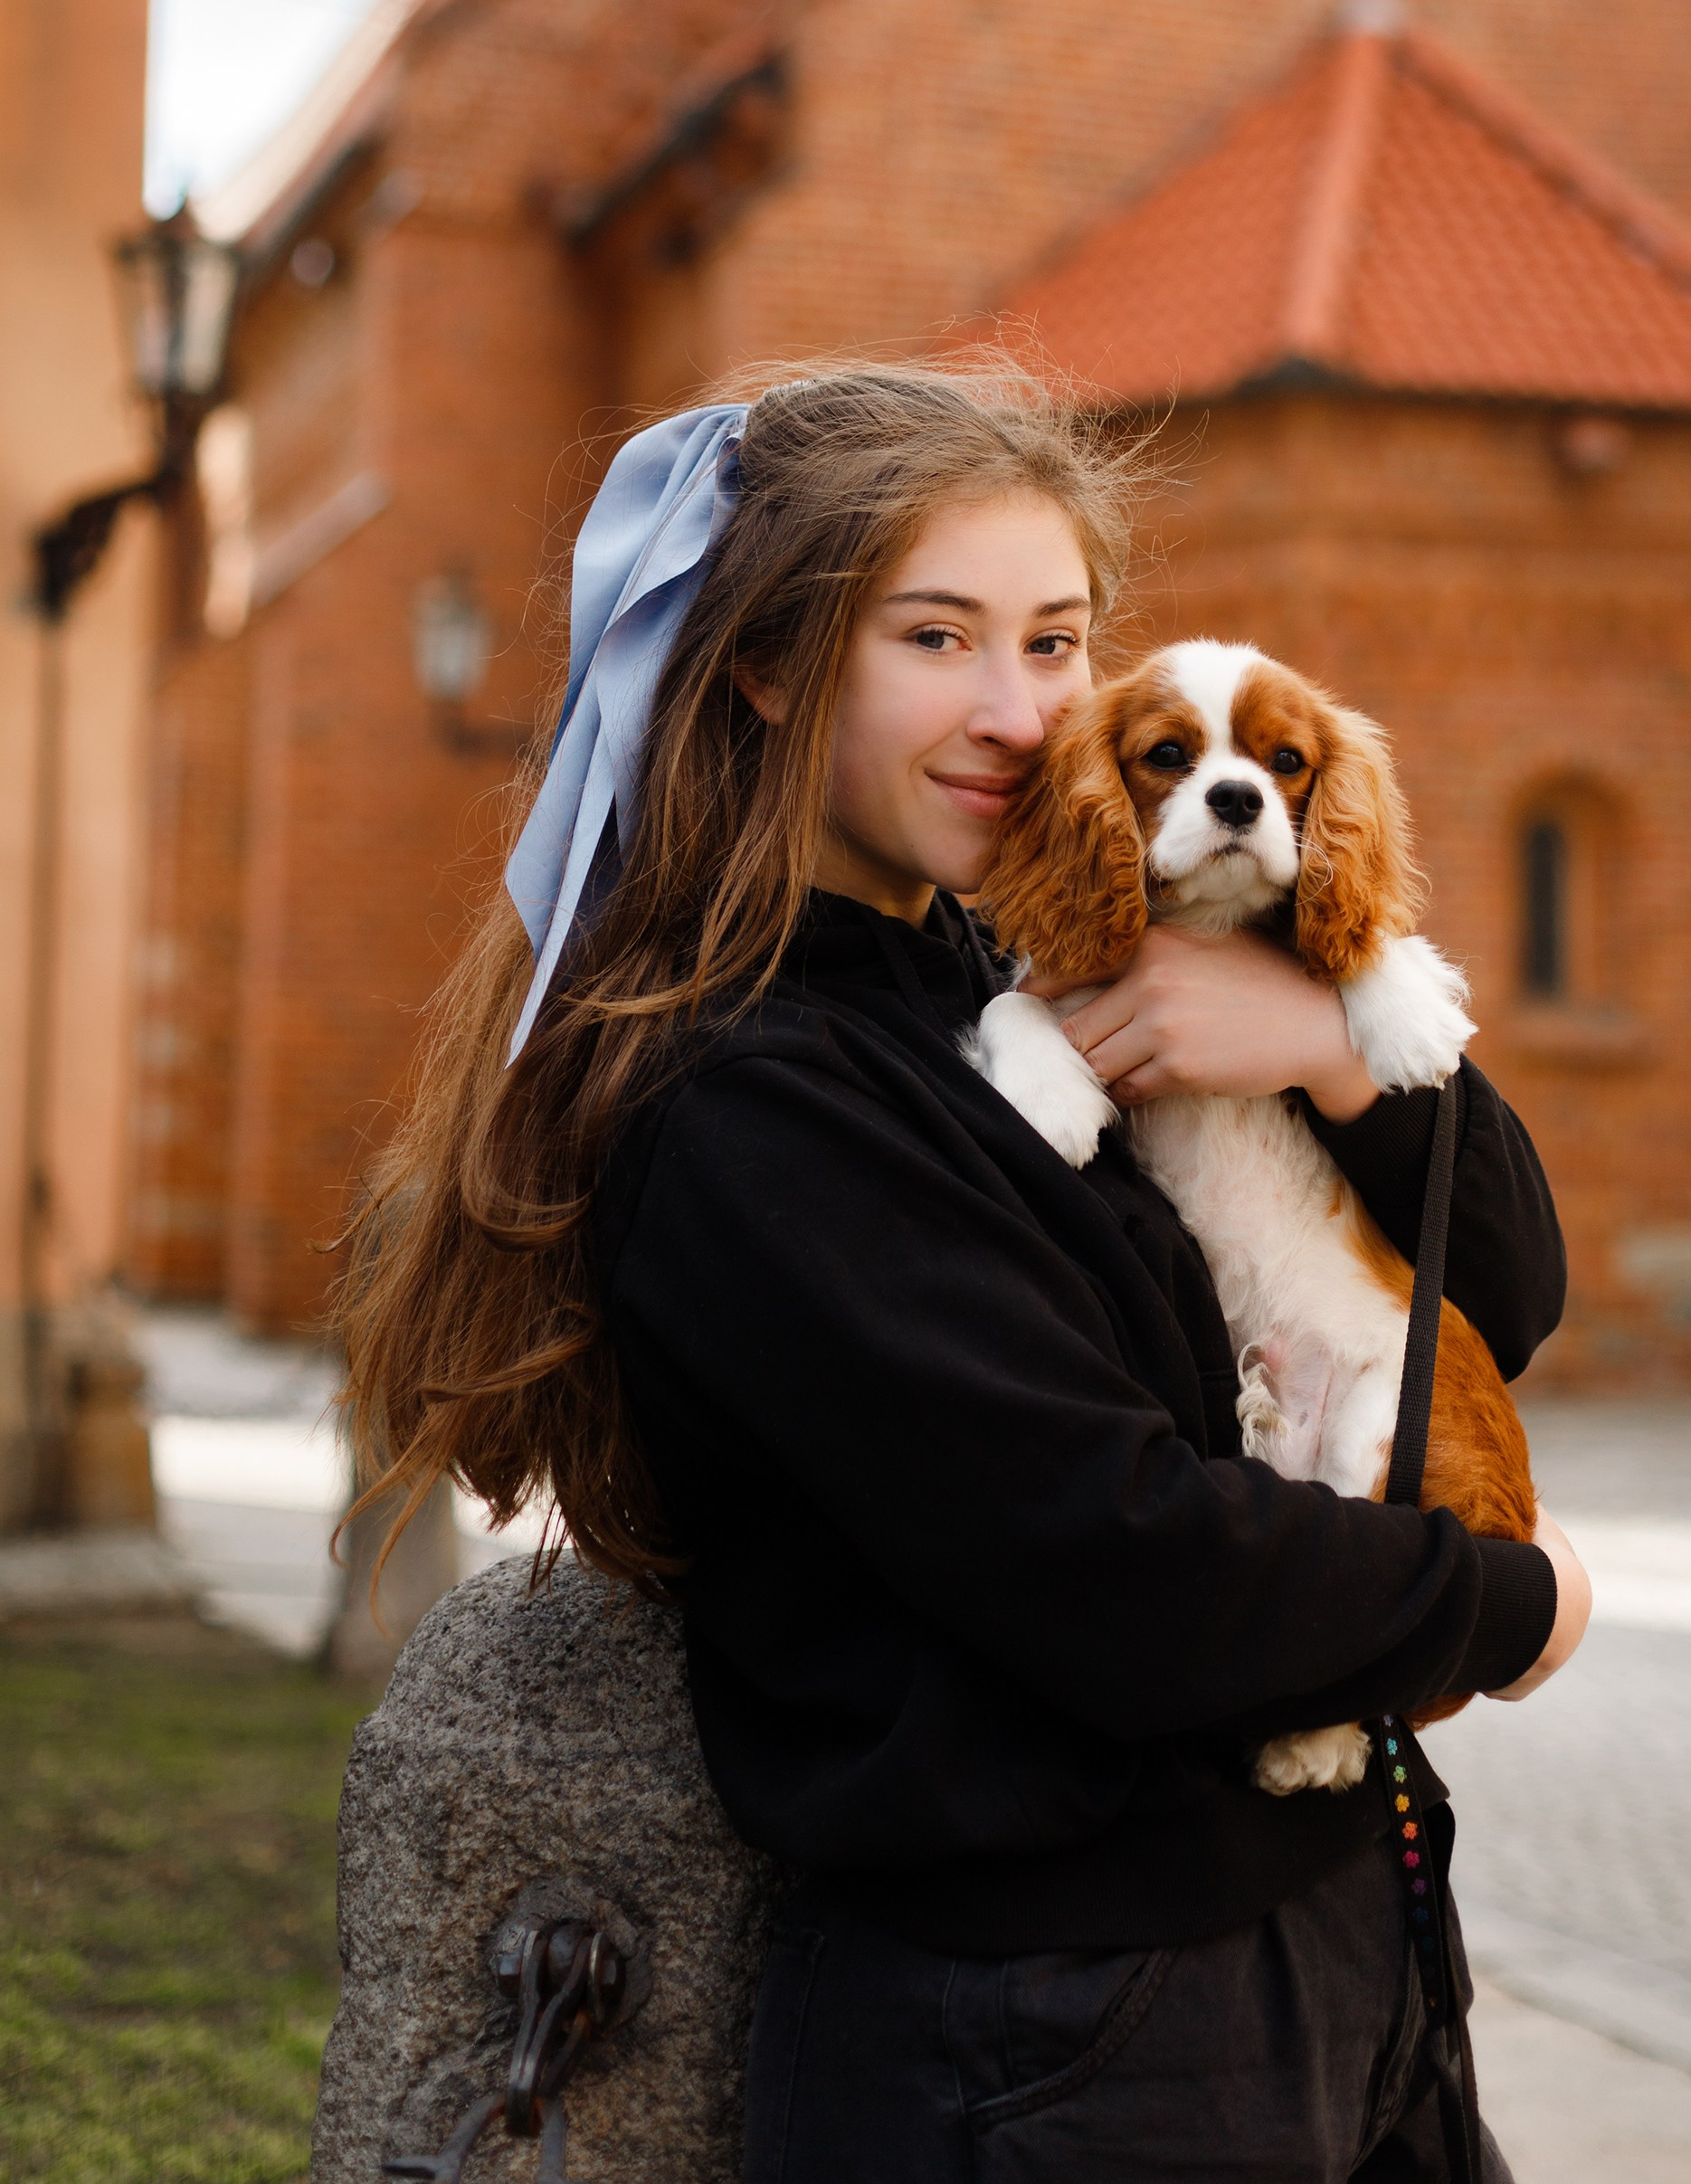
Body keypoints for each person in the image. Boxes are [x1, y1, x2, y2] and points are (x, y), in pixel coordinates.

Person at [344, 363, 1590, 2184]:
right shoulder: (747, 1099)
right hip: (1053, 2034)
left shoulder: (998, 988)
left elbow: (1507, 1289)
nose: (1016, 711)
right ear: (765, 663)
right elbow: (1115, 1553)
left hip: (1324, 1943)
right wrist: (1507, 1604)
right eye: (938, 638)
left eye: (1058, 640)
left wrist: (1322, 1042)